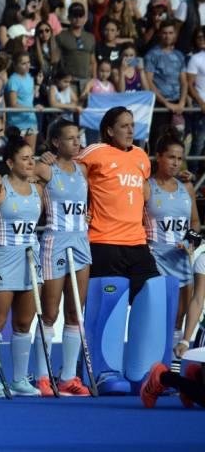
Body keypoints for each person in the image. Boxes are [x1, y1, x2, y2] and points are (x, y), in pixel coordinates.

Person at [75, 107, 157, 393]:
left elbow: (144, 193)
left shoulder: (141, 157)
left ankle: (144, 372)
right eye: (123, 126)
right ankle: (98, 371)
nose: (130, 130)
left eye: (132, 125)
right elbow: (70, 177)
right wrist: (80, 211)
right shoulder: (94, 152)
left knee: (152, 301)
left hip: (137, 243)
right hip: (104, 241)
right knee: (106, 308)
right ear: (110, 130)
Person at [32, 120, 94, 397]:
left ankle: (68, 376)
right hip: (55, 240)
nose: (76, 143)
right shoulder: (46, 168)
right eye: (69, 139)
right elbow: (19, 176)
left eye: (77, 138)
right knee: (50, 311)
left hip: (80, 240)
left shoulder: (82, 170)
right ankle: (43, 376)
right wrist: (36, 159)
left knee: (75, 312)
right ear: (56, 142)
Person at [0, 132, 43, 397]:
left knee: (23, 322)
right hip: (5, 255)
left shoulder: (38, 188)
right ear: (9, 162)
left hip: (32, 256)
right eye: (24, 159)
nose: (30, 163)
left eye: (32, 158)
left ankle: (19, 378)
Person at [146, 131, 200, 352]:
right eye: (171, 157)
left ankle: (169, 370)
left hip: (182, 261)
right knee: (157, 319)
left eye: (179, 158)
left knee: (178, 320)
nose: (176, 163)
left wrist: (189, 242)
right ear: (159, 157)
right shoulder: (146, 186)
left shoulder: (186, 188)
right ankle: (151, 368)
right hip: (156, 260)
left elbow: (195, 222)